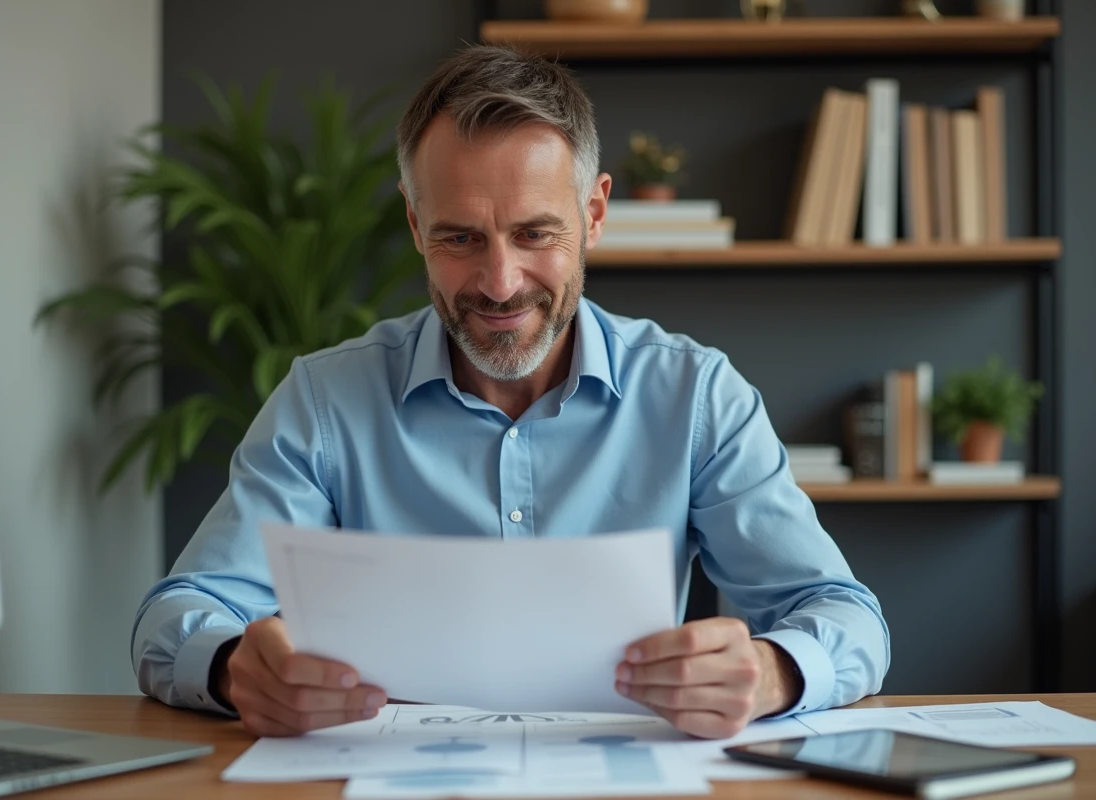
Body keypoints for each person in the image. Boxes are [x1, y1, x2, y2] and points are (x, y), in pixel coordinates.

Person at [131, 45, 889, 741]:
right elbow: (174, 616)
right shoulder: (325, 402)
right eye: (460, 237)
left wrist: (770, 673)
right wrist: (235, 666)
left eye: (534, 234)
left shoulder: (696, 396)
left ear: (594, 214)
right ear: (413, 219)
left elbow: (845, 617)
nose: (499, 283)